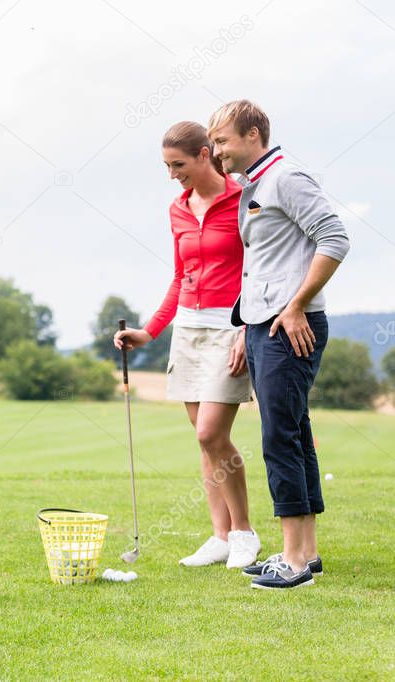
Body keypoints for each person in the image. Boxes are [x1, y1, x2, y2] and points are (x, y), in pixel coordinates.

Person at [207, 100, 349, 590]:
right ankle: (305, 553)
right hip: (265, 327)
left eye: (222, 141)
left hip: (291, 327)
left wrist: (293, 306)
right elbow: (263, 266)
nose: (216, 150)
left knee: (279, 438)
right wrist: (247, 328)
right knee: (294, 432)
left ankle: (291, 562)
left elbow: (335, 237)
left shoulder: (286, 178)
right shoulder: (256, 184)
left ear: (253, 134)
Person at [115, 121, 261, 570]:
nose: (172, 174)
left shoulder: (243, 199)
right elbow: (181, 278)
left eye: (177, 164)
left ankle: (244, 533)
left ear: (204, 154)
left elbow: (259, 267)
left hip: (229, 328)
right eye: (166, 166)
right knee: (205, 445)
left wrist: (246, 329)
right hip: (189, 331)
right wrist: (150, 331)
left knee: (211, 434)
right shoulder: (178, 209)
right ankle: (219, 536)